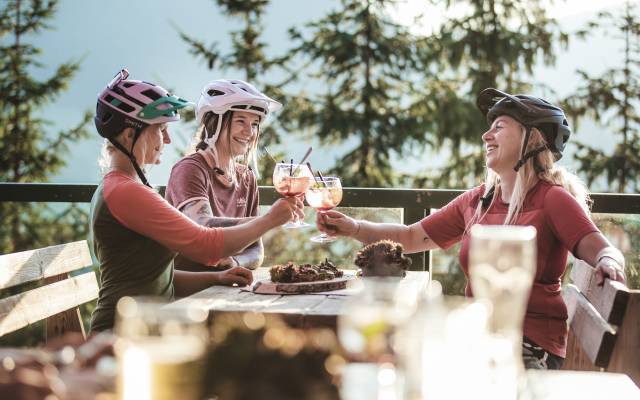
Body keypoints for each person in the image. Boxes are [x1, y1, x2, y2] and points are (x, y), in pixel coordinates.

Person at [315, 88, 627, 369]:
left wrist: (608, 261)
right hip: (482, 338)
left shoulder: (552, 199)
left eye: (499, 127)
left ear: (531, 139)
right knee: (391, 356)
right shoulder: (480, 199)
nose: (486, 136)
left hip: (528, 349)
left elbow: (602, 249)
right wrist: (353, 227)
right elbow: (410, 236)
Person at [90, 69, 303, 332]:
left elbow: (159, 280)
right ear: (128, 135)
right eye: (161, 129)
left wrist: (217, 278)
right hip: (120, 333)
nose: (167, 139)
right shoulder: (125, 191)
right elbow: (206, 245)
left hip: (145, 323)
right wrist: (271, 219)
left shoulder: (124, 186)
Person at [165, 79, 279, 272]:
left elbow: (256, 249)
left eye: (254, 124)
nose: (249, 132)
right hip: (188, 290)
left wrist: (235, 263)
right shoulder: (190, 169)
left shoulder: (246, 177)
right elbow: (203, 227)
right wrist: (269, 220)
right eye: (240, 121)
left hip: (226, 287)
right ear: (214, 123)